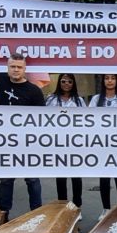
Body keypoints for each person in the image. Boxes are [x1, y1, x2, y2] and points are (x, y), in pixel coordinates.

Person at [0, 53, 45, 216]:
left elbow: (41, 119)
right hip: (6, 143)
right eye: (12, 66)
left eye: (19, 67)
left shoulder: (34, 90)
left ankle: (35, 214)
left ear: (25, 69)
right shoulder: (0, 82)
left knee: (33, 180)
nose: (16, 70)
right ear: (7, 68)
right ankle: (3, 214)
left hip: (28, 144)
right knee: (6, 180)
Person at [88, 72, 117, 216]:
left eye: (113, 78)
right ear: (103, 81)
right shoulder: (95, 99)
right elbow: (89, 119)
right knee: (104, 177)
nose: (110, 81)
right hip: (102, 144)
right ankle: (106, 209)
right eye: (107, 78)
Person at [46, 72, 86, 209]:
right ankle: (62, 206)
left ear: (73, 83)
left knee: (76, 176)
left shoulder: (79, 101)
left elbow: (86, 121)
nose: (66, 84)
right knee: (61, 177)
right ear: (59, 83)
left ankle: (77, 206)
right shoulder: (51, 100)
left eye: (69, 81)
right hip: (58, 143)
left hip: (75, 144)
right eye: (63, 81)